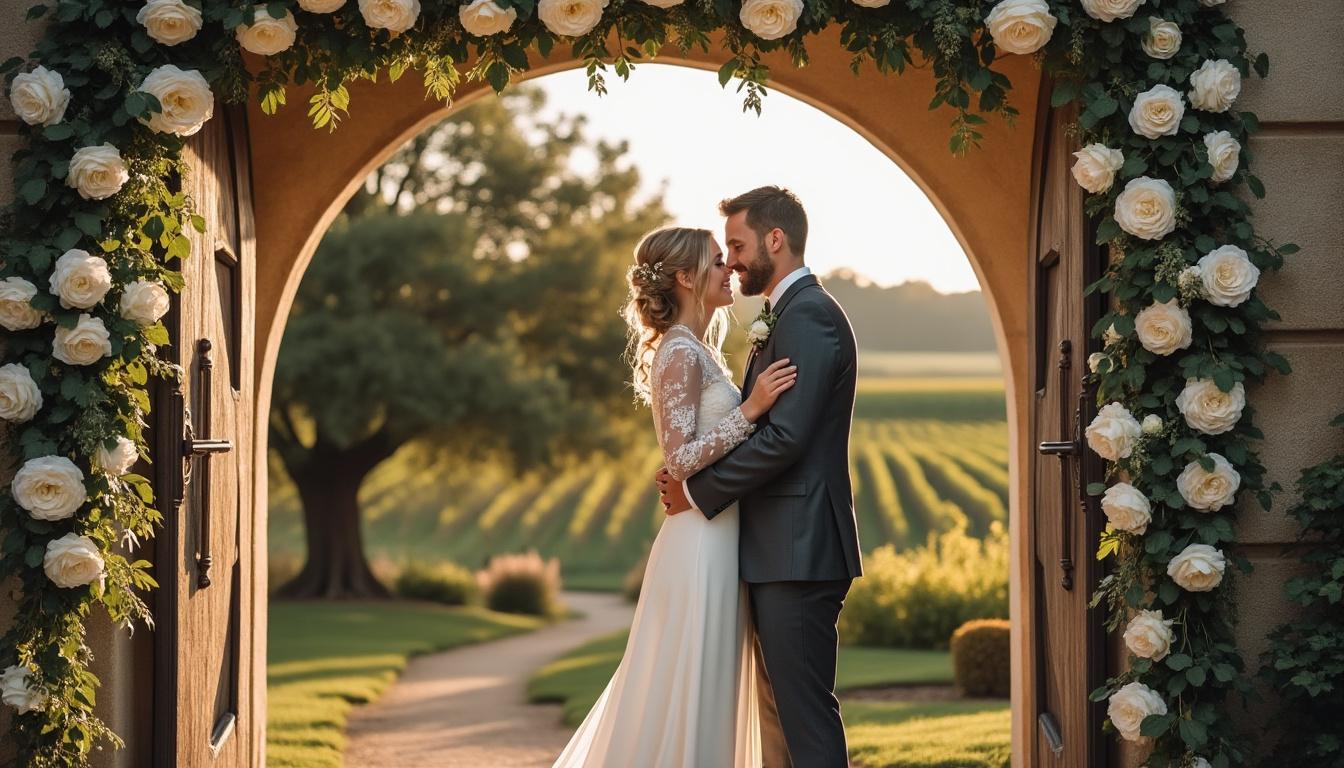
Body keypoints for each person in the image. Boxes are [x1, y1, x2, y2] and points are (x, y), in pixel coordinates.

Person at [553, 224, 796, 767]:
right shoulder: (678, 353)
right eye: (716, 262)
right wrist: (751, 409)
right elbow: (681, 458)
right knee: (690, 680)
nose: (729, 269)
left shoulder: (698, 349)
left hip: (720, 535)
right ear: (685, 277)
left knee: (708, 682)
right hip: (699, 545)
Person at [658, 186, 863, 768]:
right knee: (780, 712)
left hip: (798, 548)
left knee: (802, 714)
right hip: (780, 547)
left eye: (738, 245)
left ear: (776, 239)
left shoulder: (810, 317)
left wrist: (698, 492)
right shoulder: (787, 314)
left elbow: (787, 436)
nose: (732, 261)